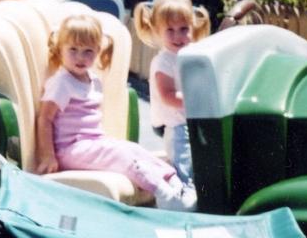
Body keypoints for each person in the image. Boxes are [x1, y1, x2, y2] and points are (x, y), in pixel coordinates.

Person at [34, 12, 196, 211]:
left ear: (97, 51)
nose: (80, 57)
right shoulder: (62, 82)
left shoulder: (93, 80)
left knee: (133, 149)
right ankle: (163, 194)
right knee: (120, 154)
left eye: (88, 51)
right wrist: (48, 155)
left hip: (91, 143)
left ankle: (175, 184)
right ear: (60, 49)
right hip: (70, 149)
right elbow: (45, 119)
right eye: (73, 50)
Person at [132, 0, 211, 185]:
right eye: (170, 30)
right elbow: (167, 96)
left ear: (194, 27)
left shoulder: (191, 55)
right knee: (183, 167)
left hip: (191, 121)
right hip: (176, 125)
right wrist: (197, 98)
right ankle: (181, 197)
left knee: (199, 164)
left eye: (184, 29)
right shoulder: (164, 62)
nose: (178, 36)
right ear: (157, 31)